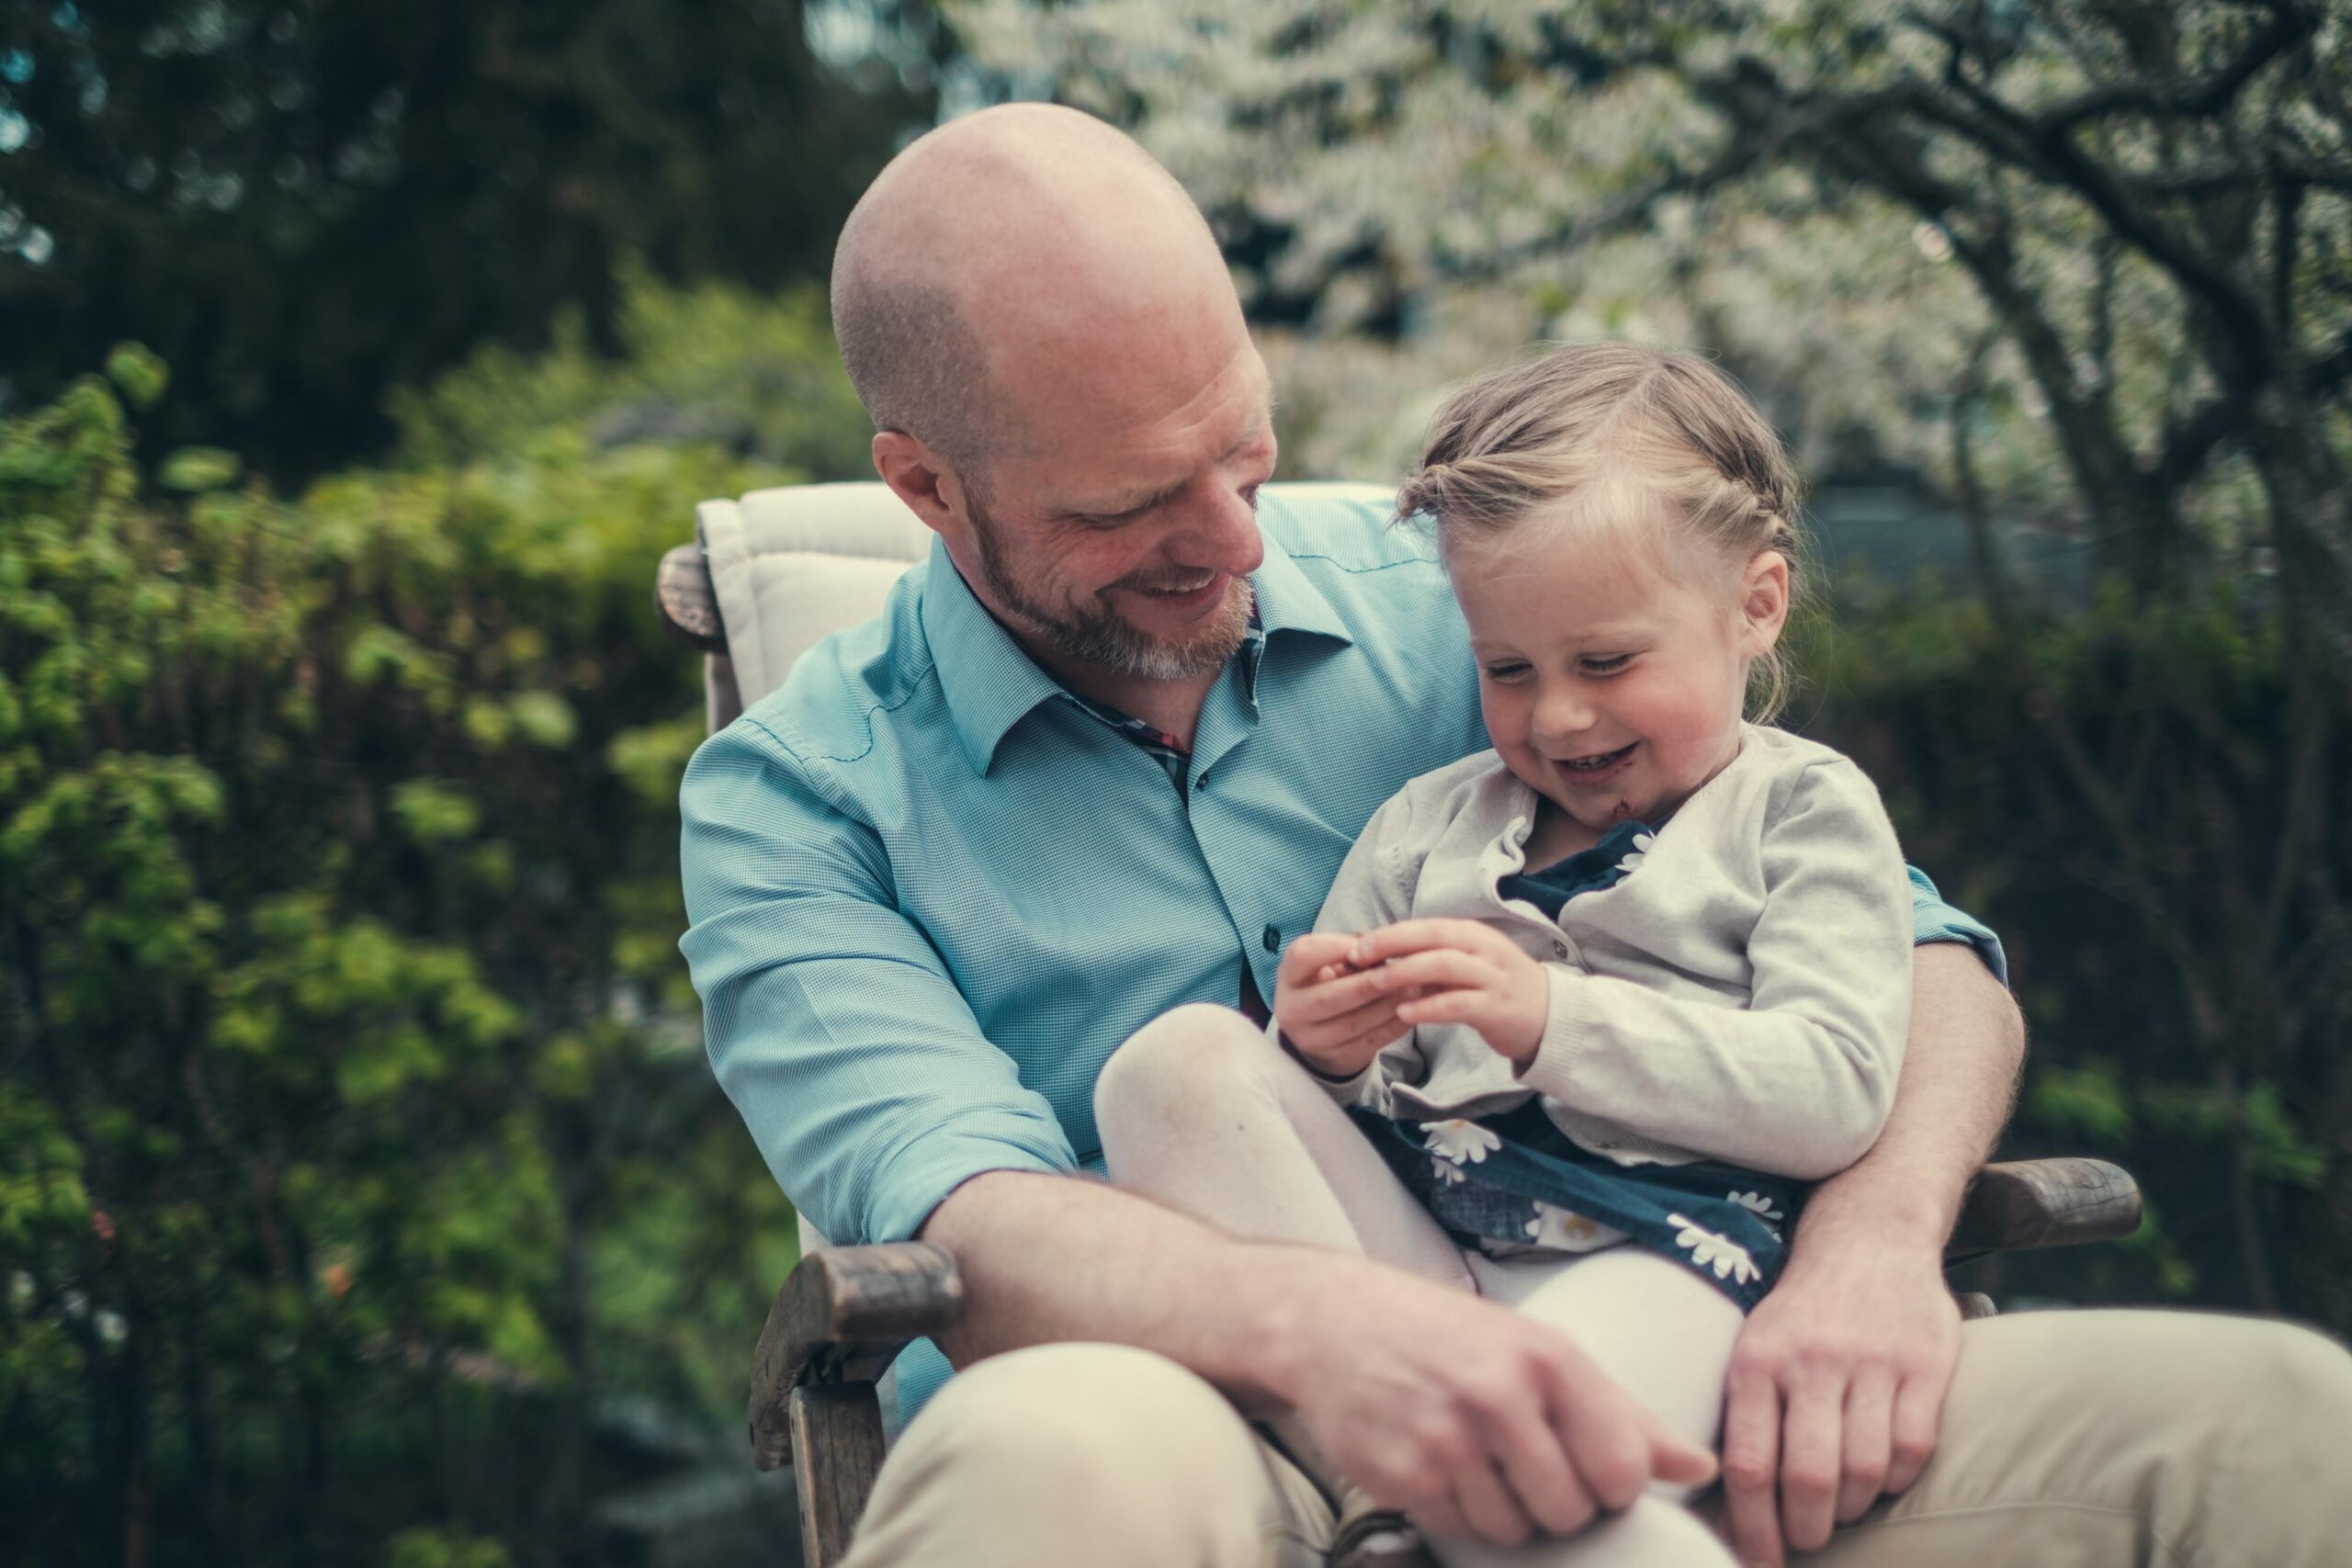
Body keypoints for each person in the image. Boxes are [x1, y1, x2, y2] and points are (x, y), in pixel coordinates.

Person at [677, 101, 2352, 1568]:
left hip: (1684, 1343)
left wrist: (1871, 1246)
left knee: (2279, 1422)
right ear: (922, 487)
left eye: (1245, 453)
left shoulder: (1477, 600)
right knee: (1038, 1470)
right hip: (1193, 1422)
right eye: (1128, 510)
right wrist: (1369, 1346)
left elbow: (1924, 959)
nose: (1234, 542)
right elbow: (973, 1215)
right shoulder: (798, 803)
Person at [1092, 343, 1919, 1566]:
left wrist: (1554, 1021)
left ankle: (1419, 1507)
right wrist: (1324, 1056)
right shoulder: (1431, 823)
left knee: (1538, 1458)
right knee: (1172, 1067)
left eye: (1607, 661)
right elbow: (1360, 1111)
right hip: (1419, 1268)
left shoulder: (1801, 813)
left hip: (1664, 1259)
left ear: (1757, 604)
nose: (1559, 717)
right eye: (1507, 670)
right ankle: (1397, 1477)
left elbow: (1837, 1092)